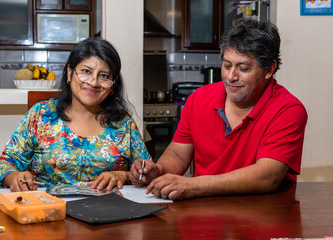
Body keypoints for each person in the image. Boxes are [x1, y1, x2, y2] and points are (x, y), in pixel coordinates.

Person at [130, 19, 308, 200]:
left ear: (269, 70)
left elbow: (268, 176)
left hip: (263, 215)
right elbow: (177, 153)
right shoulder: (198, 99)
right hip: (204, 213)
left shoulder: (288, 110)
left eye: (243, 68)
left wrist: (193, 185)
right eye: (227, 65)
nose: (231, 77)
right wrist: (158, 170)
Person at [0, 38, 151, 192]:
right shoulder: (42, 115)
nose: (94, 82)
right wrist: (15, 178)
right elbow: (5, 165)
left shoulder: (123, 123)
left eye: (104, 76)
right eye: (86, 72)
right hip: (47, 210)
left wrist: (123, 176)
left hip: (107, 212)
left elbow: (147, 173)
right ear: (69, 73)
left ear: (112, 85)